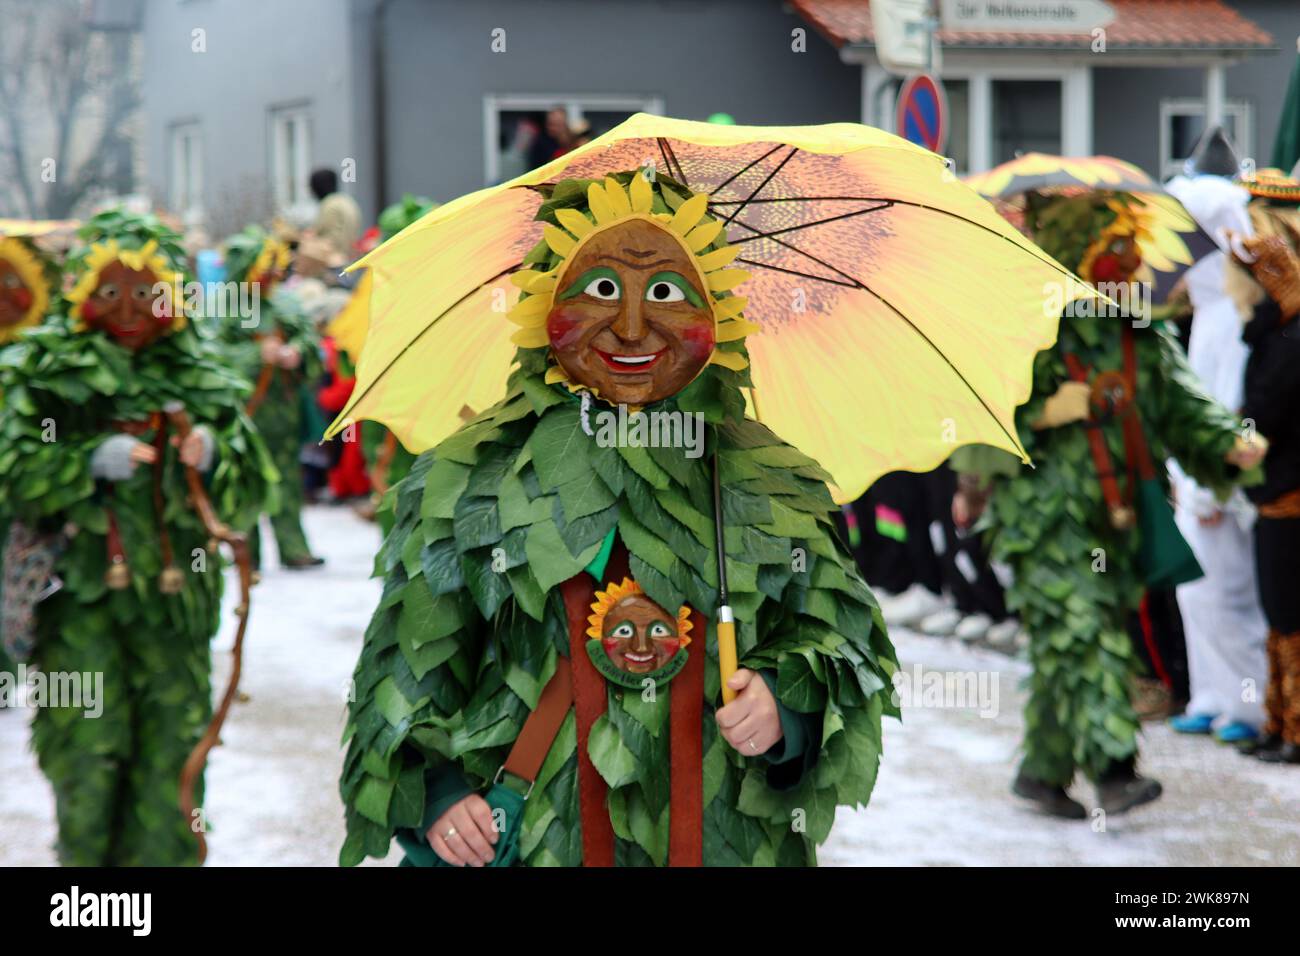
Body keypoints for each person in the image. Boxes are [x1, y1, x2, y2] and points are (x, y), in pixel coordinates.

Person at [339, 172, 896, 867]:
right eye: (600, 290)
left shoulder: (766, 477)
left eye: (665, 293)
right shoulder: (474, 478)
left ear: (716, 315)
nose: (632, 327)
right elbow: (405, 671)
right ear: (546, 305)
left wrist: (787, 702)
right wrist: (440, 793)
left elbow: (841, 643)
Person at [954, 192, 1265, 819]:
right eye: (1110, 247)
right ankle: (1114, 766)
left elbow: (1179, 397)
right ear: (1075, 251)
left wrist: (1227, 441)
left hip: (1118, 516)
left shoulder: (1138, 328)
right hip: (1045, 521)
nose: (1126, 262)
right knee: (1081, 632)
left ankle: (1041, 773)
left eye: (1130, 248)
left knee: (1070, 642)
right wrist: (1040, 412)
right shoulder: (1025, 327)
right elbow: (979, 412)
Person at [0, 209, 274, 864]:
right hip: (80, 610)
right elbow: (14, 474)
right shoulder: (39, 374)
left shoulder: (200, 379)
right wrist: (81, 460)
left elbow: (252, 487)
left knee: (173, 758)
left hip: (175, 613)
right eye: (110, 291)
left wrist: (214, 456)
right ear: (79, 292)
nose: (129, 310)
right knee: (86, 756)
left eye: (148, 292)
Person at [1163, 133, 1269, 744]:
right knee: (1199, 594)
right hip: (1199, 477)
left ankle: (1246, 704)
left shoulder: (1234, 313)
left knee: (1230, 593)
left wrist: (1211, 486)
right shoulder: (1208, 310)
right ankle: (1211, 693)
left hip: (1225, 483)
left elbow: (1230, 409)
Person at [1227, 170, 1300, 764]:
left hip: (1290, 490)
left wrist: (1227, 441)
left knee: (1289, 608)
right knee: (1278, 607)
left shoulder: (1290, 337)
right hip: (1276, 490)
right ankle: (1280, 721)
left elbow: (1264, 418)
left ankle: (1294, 726)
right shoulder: (1275, 330)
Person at [219, 226, 325, 569]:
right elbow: (211, 356)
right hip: (244, 415)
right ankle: (246, 553)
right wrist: (254, 357)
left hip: (284, 412)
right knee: (245, 482)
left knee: (288, 481)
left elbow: (310, 343)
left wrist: (296, 352)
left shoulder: (286, 303)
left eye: (274, 268)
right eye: (263, 268)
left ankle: (294, 547)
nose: (271, 275)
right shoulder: (223, 307)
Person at [309, 167, 362, 263]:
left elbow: (321, 234)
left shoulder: (329, 204)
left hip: (333, 259)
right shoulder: (347, 200)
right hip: (350, 257)